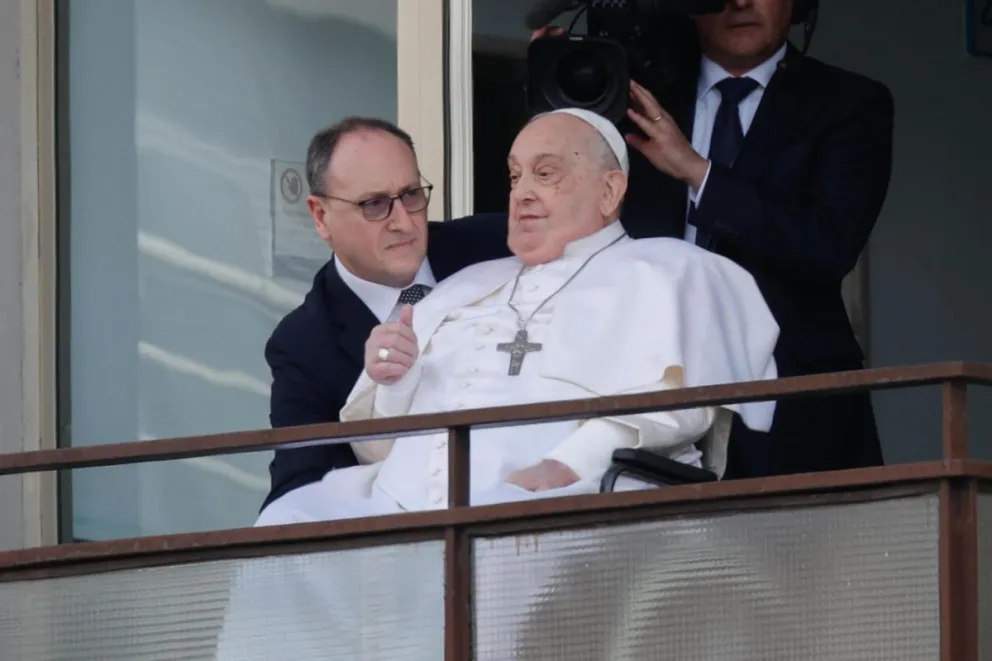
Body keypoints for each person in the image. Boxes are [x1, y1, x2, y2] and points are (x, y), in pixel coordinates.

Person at [215, 108, 780, 659]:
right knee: (286, 530)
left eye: (546, 172)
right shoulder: (465, 285)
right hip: (408, 498)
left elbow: (684, 406)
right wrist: (394, 382)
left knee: (477, 553)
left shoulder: (672, 272)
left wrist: (574, 462)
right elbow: (375, 450)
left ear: (610, 192)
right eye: (514, 175)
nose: (522, 192)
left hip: (551, 497)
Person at [520, 0, 894, 479]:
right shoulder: (628, 96)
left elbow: (827, 247)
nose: (739, 2)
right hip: (639, 394)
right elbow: (557, 215)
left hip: (793, 405)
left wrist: (698, 173)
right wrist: (559, 98)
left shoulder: (849, 101)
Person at [259, 117, 508, 515]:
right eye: (374, 205)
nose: (403, 222)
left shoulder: (494, 245)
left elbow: (610, 236)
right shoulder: (304, 344)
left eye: (411, 195)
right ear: (321, 217)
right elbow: (298, 494)